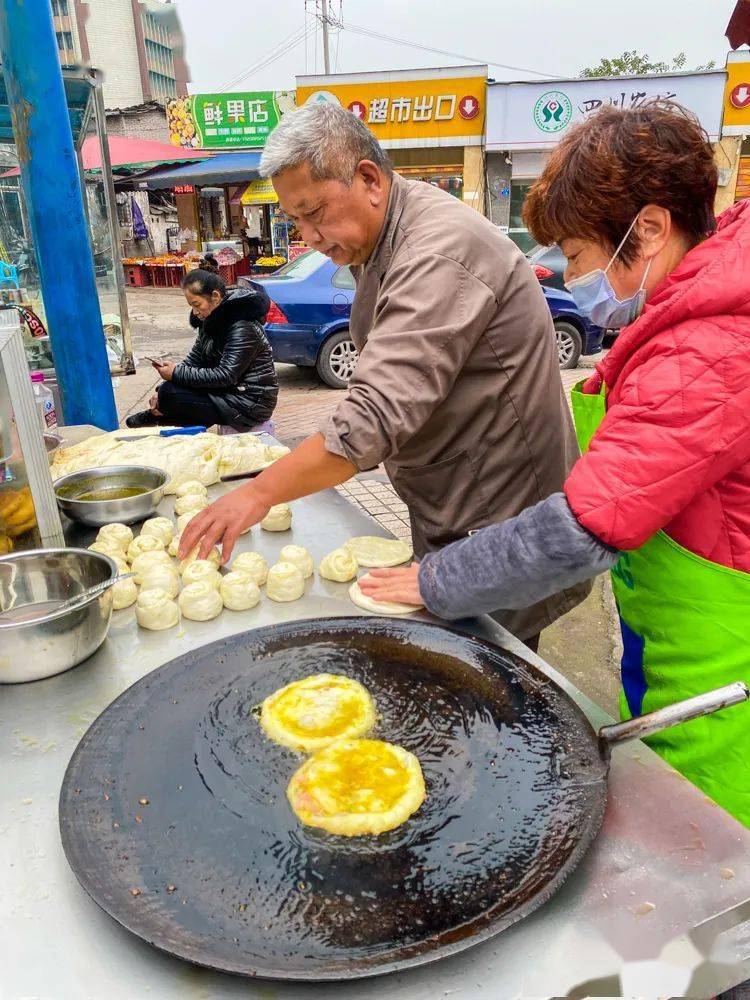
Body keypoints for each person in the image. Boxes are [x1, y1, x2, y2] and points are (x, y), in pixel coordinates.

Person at [362, 102, 750, 827]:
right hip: (671, 619)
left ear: (653, 230)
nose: (570, 276)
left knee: (710, 846)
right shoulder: (689, 312)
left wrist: (435, 579)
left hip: (730, 654)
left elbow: (580, 529)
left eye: (575, 254)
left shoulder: (712, 345)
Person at [180, 101, 589, 647]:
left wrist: (257, 495)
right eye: (295, 220)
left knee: (491, 668)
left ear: (369, 179)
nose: (310, 237)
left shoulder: (439, 251)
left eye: (315, 212)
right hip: (453, 498)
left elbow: (371, 418)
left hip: (499, 512)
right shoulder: (380, 236)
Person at [125, 268, 278, 431]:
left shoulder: (242, 327)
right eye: (191, 306)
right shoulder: (210, 322)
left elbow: (226, 375)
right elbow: (194, 360)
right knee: (167, 391)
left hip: (251, 402)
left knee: (171, 395)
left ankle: (158, 417)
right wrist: (163, 385)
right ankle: (161, 415)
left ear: (215, 297)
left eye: (197, 304)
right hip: (228, 392)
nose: (195, 312)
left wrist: (175, 375)